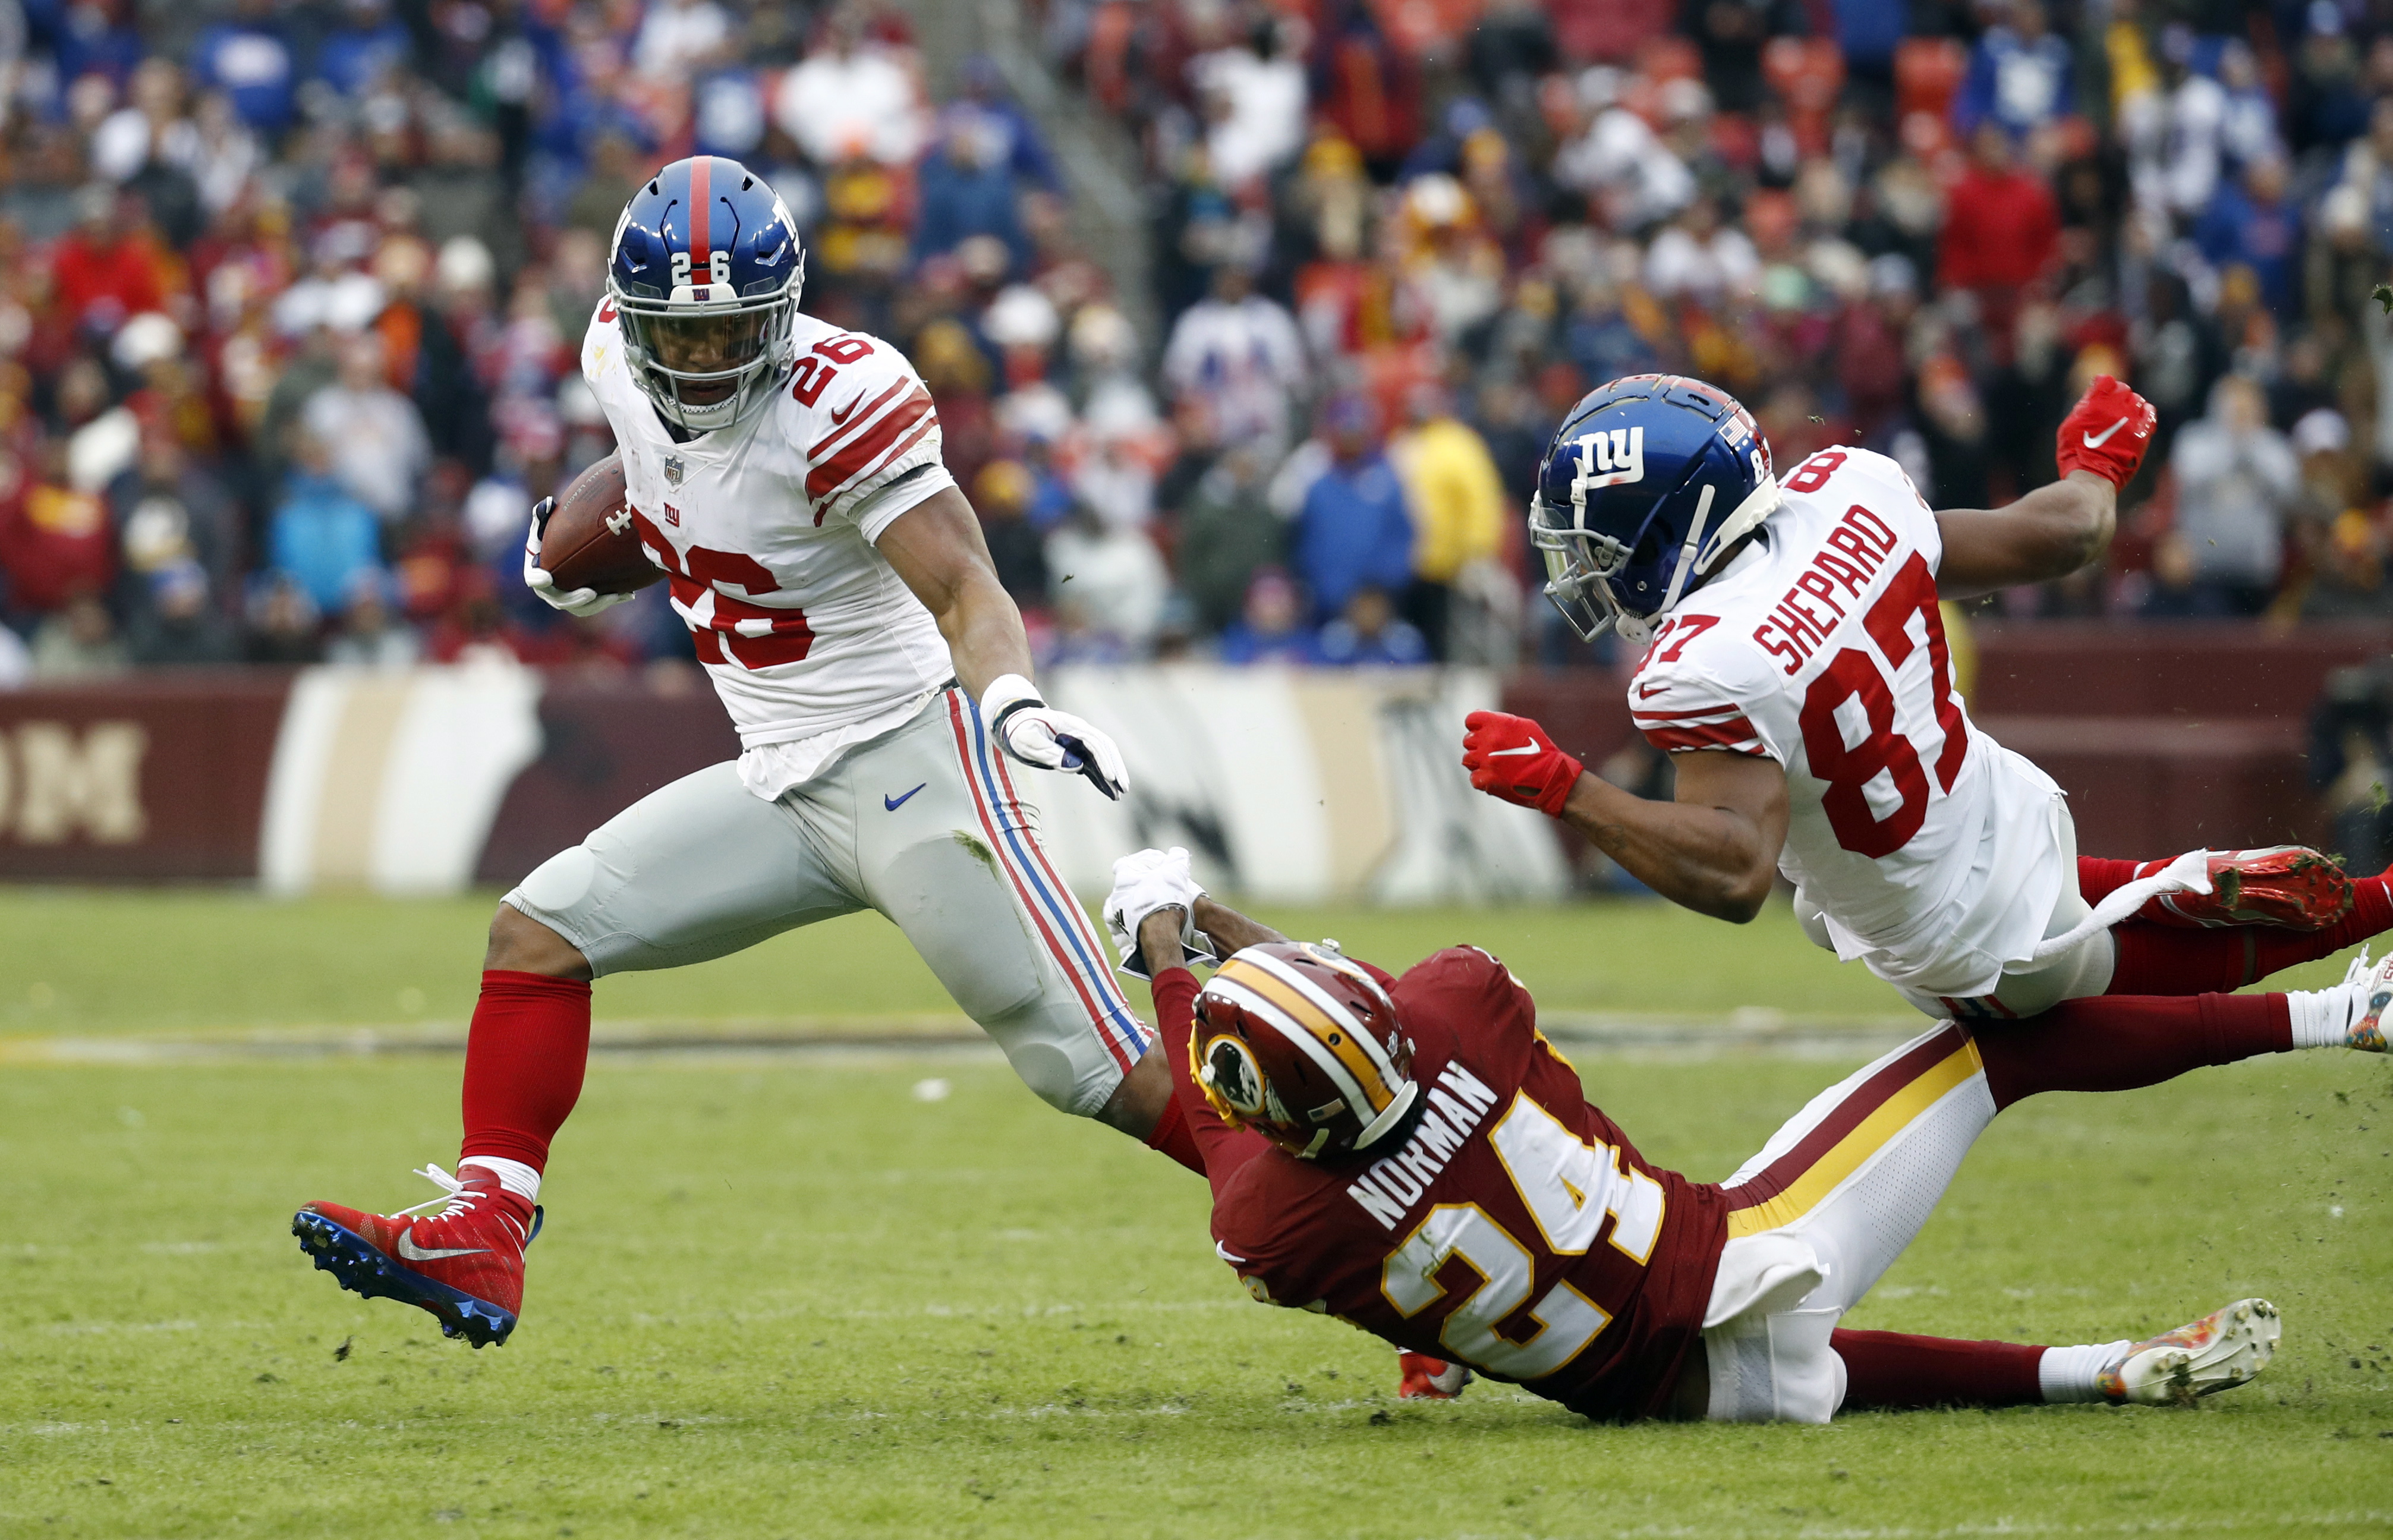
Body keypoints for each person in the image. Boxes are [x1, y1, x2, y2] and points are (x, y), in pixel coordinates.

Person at [292, 156, 1198, 1350]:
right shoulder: (617, 355)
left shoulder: (843, 399)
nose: (709, 359)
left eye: (735, 335)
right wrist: (589, 540)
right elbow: (664, 476)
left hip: (908, 764)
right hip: (782, 781)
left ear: (784, 315)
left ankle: (1376, 1219)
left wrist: (1015, 703)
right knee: (540, 934)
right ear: (637, 317)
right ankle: (487, 1227)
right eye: (687, 334)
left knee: (1098, 1074)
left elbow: (964, 579)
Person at [1101, 851, 2388, 1422]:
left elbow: (1223, 1116)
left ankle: (2096, 1370)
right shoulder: (1458, 1007)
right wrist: (1202, 906)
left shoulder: (1269, 1224)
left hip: (1673, 1397)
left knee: (1804, 1369)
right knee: (2005, 1044)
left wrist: (1164, 946)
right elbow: (1359, 992)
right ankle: (2344, 1009)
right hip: (1746, 1254)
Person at [1465, 372, 2393, 1023]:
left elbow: (1735, 870)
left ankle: (2345, 983)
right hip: (2002, 822)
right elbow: (2065, 536)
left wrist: (1565, 789)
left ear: (1671, 526)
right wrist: (2093, 465)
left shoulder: (1700, 664)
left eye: (1597, 543)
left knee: (2084, 1002)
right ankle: (2262, 923)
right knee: (2084, 932)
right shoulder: (1844, 489)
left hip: (1949, 942)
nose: (1585, 570)